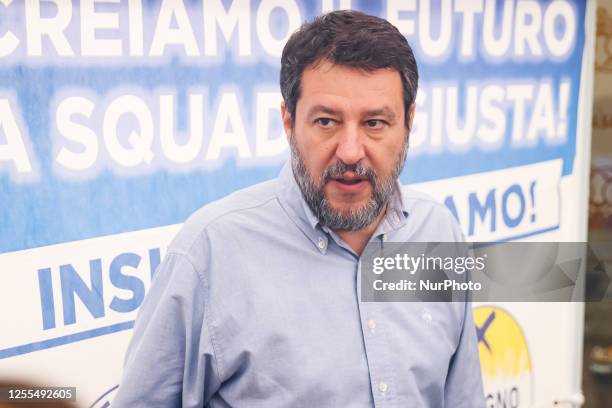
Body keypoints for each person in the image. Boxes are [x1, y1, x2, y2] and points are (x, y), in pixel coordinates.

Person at [112, 10, 485, 408]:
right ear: (288, 121)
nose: (351, 151)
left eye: (375, 123)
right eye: (326, 121)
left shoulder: (438, 232)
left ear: (408, 122)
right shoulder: (211, 253)